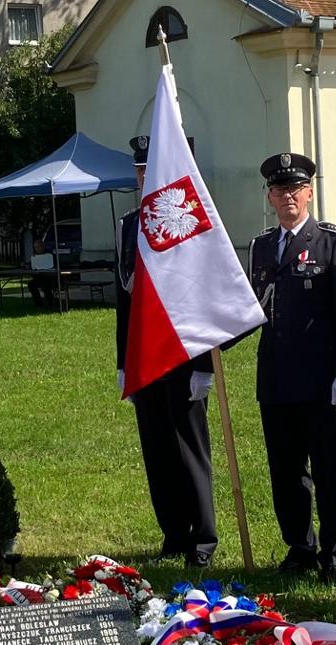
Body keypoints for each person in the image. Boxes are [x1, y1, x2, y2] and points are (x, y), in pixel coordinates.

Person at [245, 152, 336, 582]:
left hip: (321, 380)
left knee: (329, 471)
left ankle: (335, 555)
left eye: (295, 189)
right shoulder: (260, 246)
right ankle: (299, 546)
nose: (287, 196)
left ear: (309, 193)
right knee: (286, 471)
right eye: (279, 190)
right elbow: (252, 308)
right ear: (270, 197)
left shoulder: (334, 240)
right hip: (275, 379)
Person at [118, 135, 219, 567]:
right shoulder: (129, 224)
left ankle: (203, 537)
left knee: (189, 447)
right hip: (145, 354)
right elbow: (126, 298)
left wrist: (204, 366)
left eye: (152, 171)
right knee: (157, 448)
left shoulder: (190, 221)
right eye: (141, 172)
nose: (146, 179)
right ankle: (173, 533)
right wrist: (123, 361)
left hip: (182, 352)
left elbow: (204, 296)